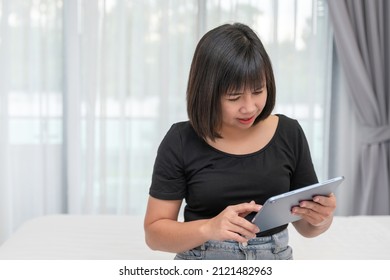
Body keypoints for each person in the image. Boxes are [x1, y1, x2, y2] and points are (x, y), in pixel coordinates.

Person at [144, 22, 336, 260]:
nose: (249, 107)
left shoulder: (289, 132)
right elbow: (154, 235)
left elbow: (307, 228)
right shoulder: (181, 140)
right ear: (207, 92)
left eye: (258, 91)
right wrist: (209, 228)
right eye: (234, 97)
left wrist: (321, 219)